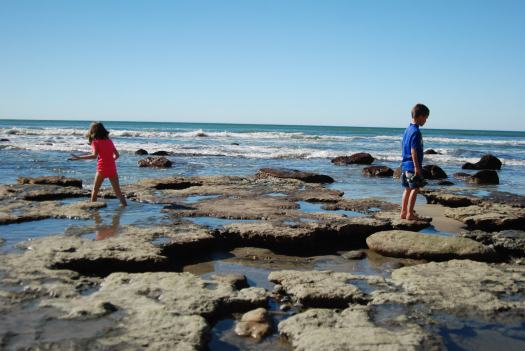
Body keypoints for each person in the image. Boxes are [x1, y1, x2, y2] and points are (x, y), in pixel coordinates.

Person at [69, 122, 127, 207]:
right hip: (112, 168)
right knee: (118, 192)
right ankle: (124, 208)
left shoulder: (95, 142)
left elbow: (94, 156)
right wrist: (110, 161)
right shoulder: (109, 141)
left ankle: (93, 210)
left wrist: (79, 158)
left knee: (95, 190)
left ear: (93, 131)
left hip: (101, 168)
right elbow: (117, 155)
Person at [400, 104, 429, 220]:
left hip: (405, 165)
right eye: (426, 117)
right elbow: (414, 151)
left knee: (407, 189)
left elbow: (403, 146)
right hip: (412, 165)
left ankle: (403, 212)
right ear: (420, 116)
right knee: (414, 189)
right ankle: (410, 214)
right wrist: (417, 167)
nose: (426, 120)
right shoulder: (416, 131)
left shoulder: (407, 130)